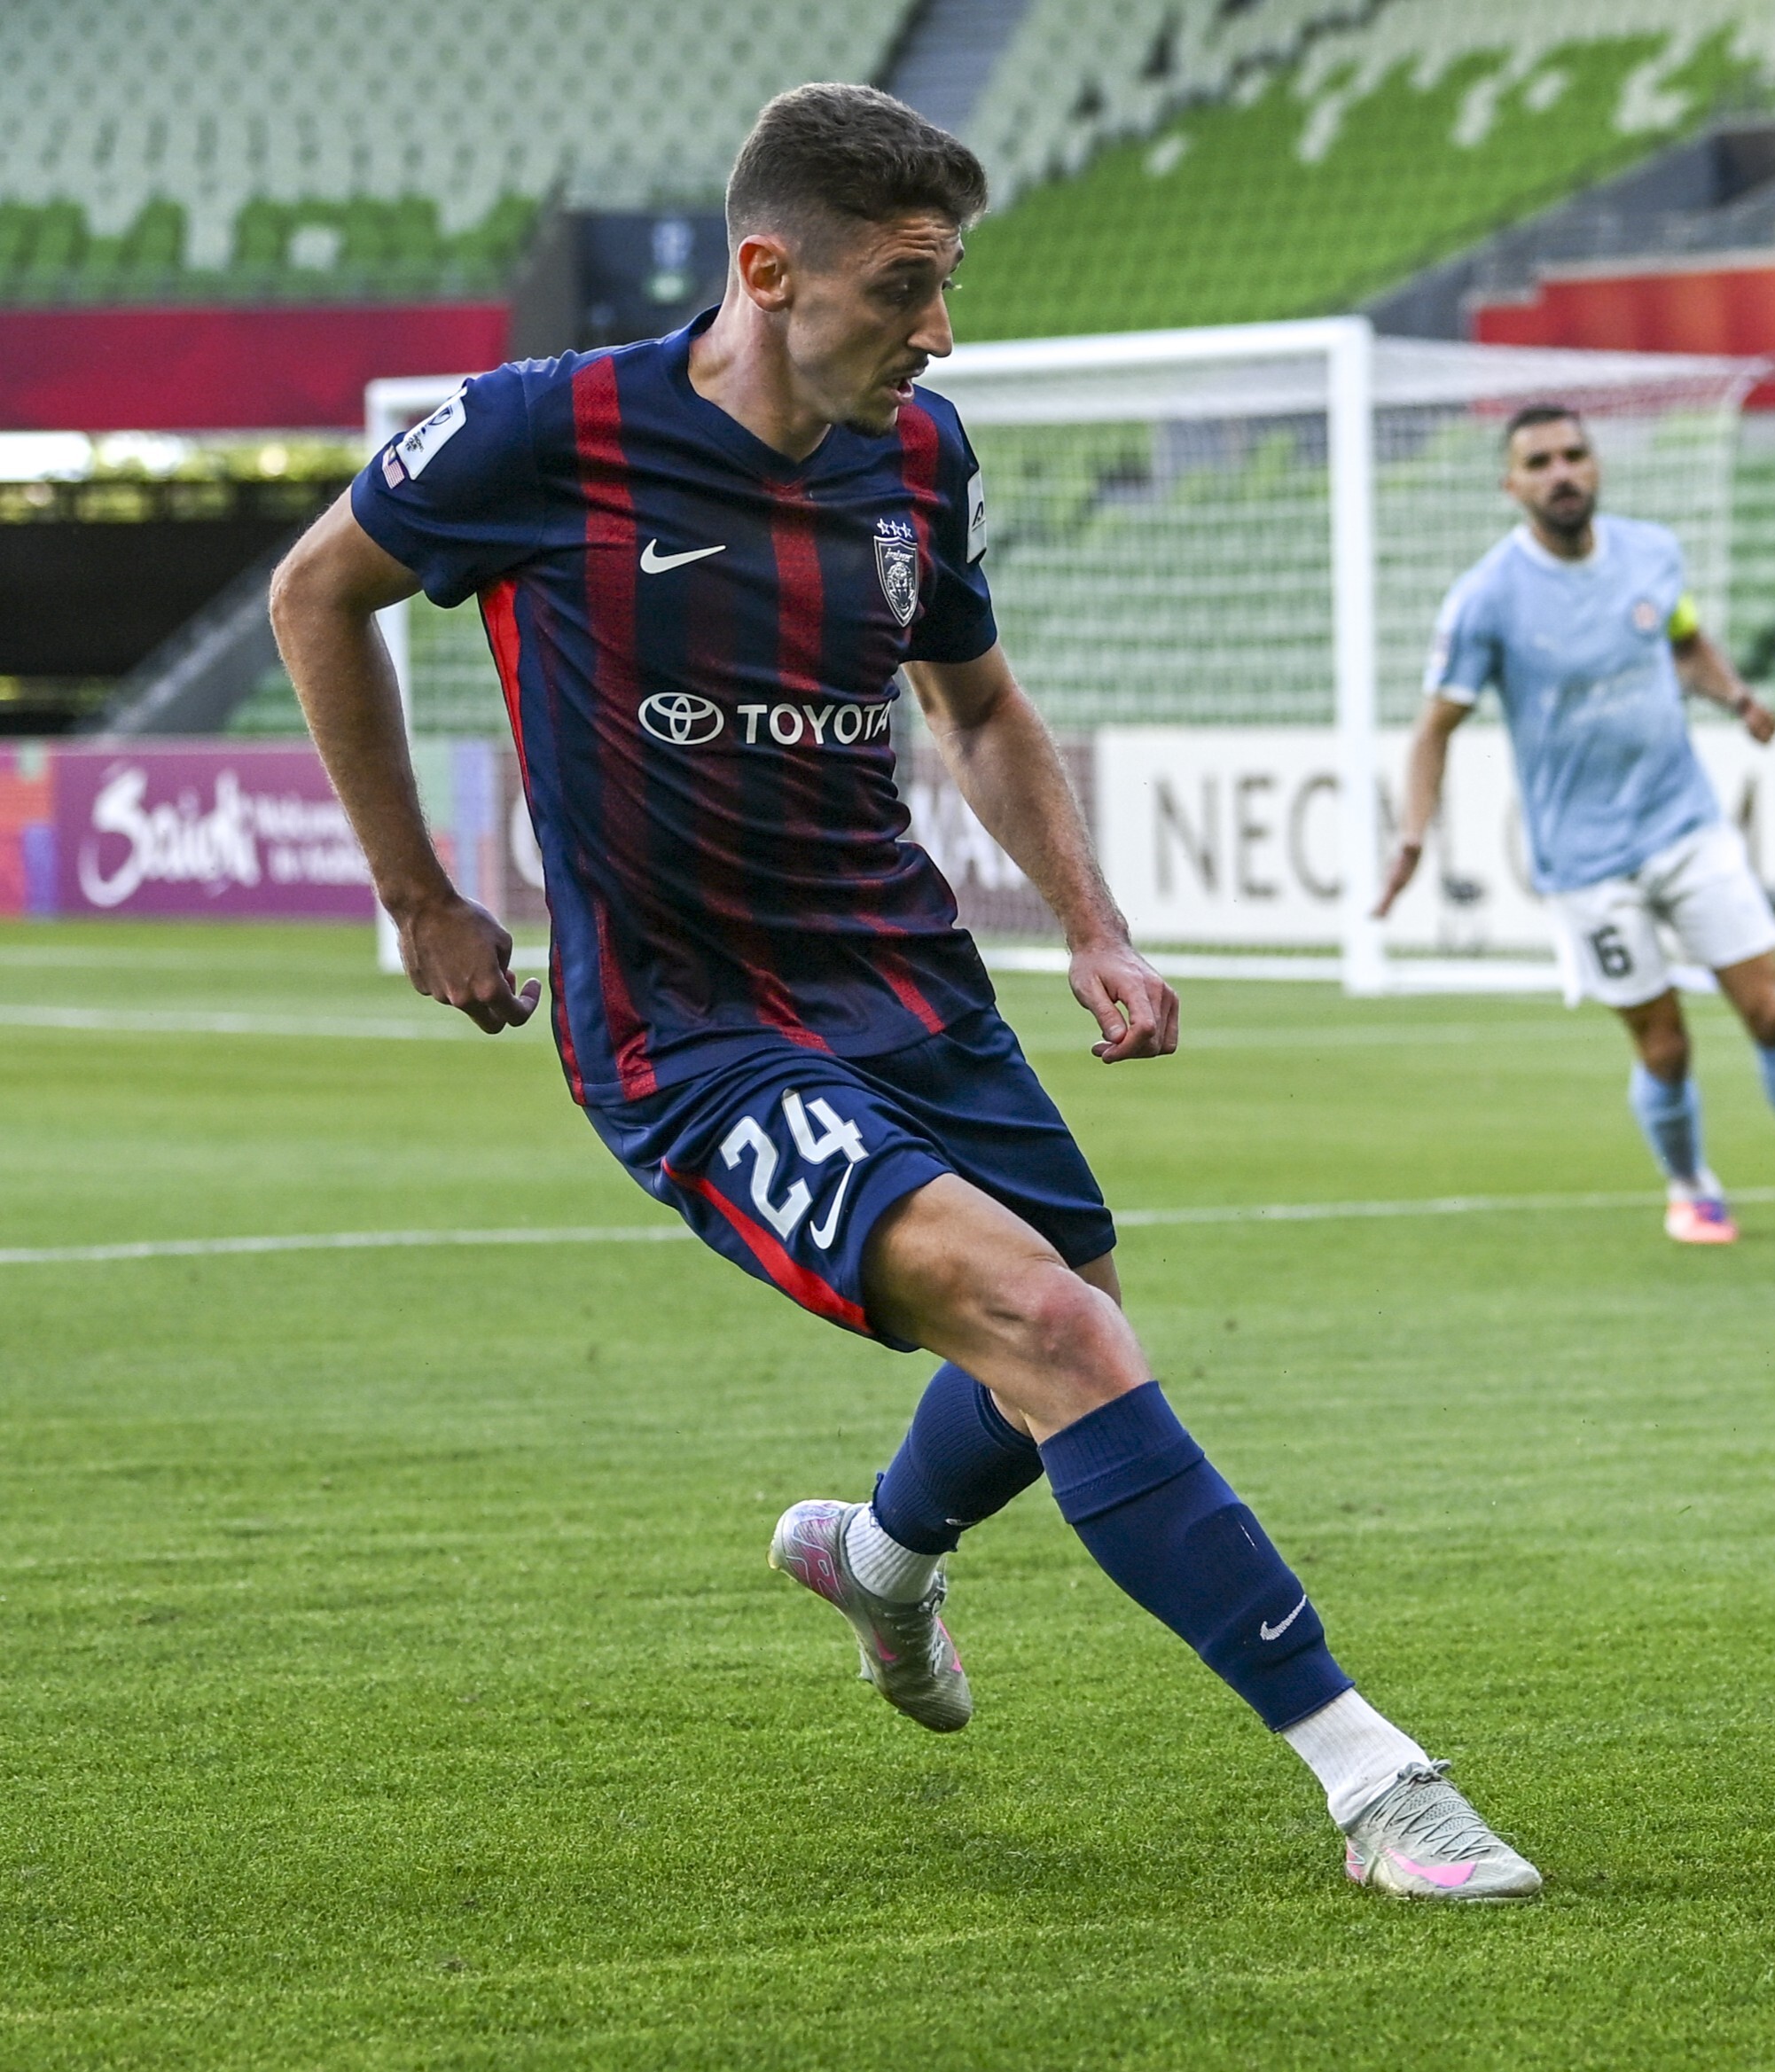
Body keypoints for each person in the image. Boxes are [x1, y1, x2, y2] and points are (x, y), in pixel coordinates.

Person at [266, 83, 1537, 1901]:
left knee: (1067, 1322)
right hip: (692, 1030)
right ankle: (1376, 1777)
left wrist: (1094, 924)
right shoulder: (546, 432)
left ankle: (875, 1558)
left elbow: (980, 704)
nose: (939, 329)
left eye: (946, 285)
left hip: (904, 979)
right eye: (905, 286)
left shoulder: (919, 457)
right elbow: (319, 592)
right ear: (769, 271)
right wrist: (418, 895)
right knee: (1057, 1330)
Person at [1377, 404, 1775, 1249]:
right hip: (1585, 863)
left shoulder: (1651, 554)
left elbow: (1683, 640)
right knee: (1663, 1045)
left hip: (1686, 827)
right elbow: (1433, 727)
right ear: (1511, 485)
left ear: (1595, 465)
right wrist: (1413, 833)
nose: (1561, 472)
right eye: (1539, 462)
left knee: (1772, 1010)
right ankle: (1691, 1189)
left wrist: (1733, 695)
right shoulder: (1484, 598)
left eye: (1573, 454)